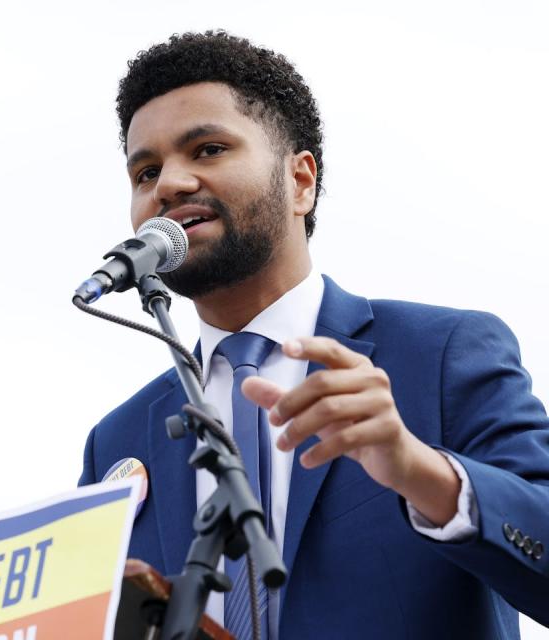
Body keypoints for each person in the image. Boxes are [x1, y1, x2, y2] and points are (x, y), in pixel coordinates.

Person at [78, 31, 549, 639]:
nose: (168, 183)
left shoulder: (443, 355)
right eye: (145, 171)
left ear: (300, 181)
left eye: (209, 149)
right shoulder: (115, 443)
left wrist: (419, 471)